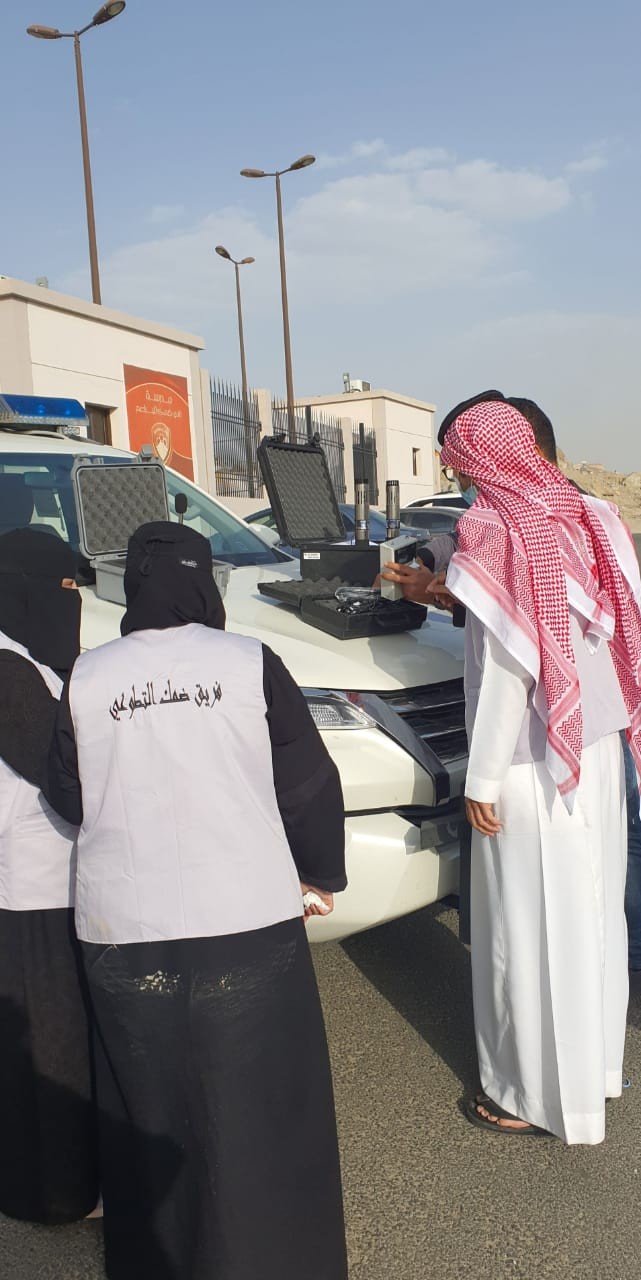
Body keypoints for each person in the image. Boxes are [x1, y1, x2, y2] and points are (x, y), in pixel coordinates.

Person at [46, 521, 348, 1280]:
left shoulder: (88, 675)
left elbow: (66, 794)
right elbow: (308, 783)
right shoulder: (249, 661)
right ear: (204, 582)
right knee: (260, 1103)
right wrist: (320, 873)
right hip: (245, 914)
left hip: (124, 920)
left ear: (132, 587)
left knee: (149, 1102)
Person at [439, 398, 641, 1144]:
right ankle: (593, 1077)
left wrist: (482, 777)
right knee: (591, 912)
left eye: (456, 457)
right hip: (597, 743)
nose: (455, 473)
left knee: (526, 928)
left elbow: (509, 666)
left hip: (532, 758)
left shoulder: (495, 526)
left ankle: (531, 1096)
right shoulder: (589, 513)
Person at [0, 528, 99, 1223]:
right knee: (51, 1044)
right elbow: (64, 776)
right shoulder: (8, 671)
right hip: (29, 890)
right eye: (62, 588)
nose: (73, 602)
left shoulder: (22, 657)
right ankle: (57, 1192)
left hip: (40, 880)